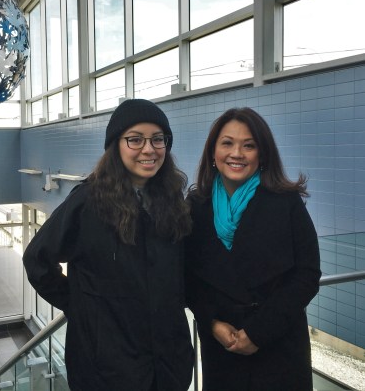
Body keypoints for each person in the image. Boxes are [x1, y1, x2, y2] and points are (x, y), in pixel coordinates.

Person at [23, 99, 194, 391]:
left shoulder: (171, 201)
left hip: (166, 365)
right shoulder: (88, 202)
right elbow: (37, 260)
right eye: (135, 140)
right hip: (106, 368)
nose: (149, 149)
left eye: (158, 139)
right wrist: (81, 306)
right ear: (116, 145)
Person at [185, 107, 321, 391]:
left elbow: (307, 274)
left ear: (262, 154)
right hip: (222, 346)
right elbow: (188, 276)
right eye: (227, 143)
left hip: (278, 344)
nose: (237, 153)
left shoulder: (286, 202)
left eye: (249, 145)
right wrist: (211, 323)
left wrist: (259, 332)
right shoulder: (196, 206)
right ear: (213, 153)